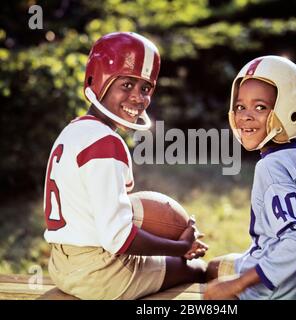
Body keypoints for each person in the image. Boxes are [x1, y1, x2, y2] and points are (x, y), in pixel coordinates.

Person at [43, 32, 208, 300]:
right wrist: (180, 248)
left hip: (61, 265)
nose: (138, 98)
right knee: (197, 269)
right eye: (127, 84)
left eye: (145, 88)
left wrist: (171, 240)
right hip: (98, 275)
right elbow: (117, 239)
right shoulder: (106, 142)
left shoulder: (72, 131)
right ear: (99, 80)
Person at [204, 55, 296, 300]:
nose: (245, 116)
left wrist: (237, 285)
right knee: (212, 267)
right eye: (239, 106)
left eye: (260, 107)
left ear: (290, 109)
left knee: (213, 295)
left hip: (287, 293)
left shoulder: (271, 166)